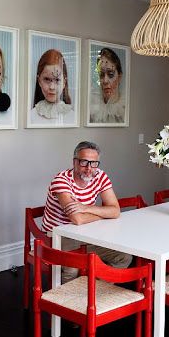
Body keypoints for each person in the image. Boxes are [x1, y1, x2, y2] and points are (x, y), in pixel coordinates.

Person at [42, 141, 132, 277]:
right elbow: (77, 219)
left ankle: (93, 291)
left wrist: (86, 208)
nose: (89, 168)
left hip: (87, 234)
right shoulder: (61, 180)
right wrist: (104, 213)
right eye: (84, 162)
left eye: (94, 163)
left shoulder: (100, 176)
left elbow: (115, 211)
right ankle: (68, 298)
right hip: (57, 236)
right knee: (73, 267)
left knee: (124, 257)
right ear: (75, 162)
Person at [30, 49, 76, 125]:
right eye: (47, 79)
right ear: (39, 81)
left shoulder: (73, 117)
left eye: (57, 80)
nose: (52, 87)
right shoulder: (31, 116)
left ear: (64, 82)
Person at [89, 47, 126, 124]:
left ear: (119, 77)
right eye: (102, 75)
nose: (105, 81)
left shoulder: (125, 108)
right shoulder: (92, 108)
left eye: (111, 74)